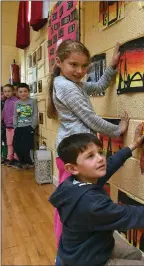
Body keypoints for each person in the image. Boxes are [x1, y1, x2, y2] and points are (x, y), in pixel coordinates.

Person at [49, 124, 144, 266]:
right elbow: (130, 215)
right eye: (90, 156)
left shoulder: (77, 181)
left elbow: (110, 164)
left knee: (135, 254)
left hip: (83, 249)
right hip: (85, 261)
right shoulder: (91, 204)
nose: (100, 159)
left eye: (100, 152)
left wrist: (133, 146)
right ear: (72, 168)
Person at [47, 39, 129, 247]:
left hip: (74, 151)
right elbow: (91, 119)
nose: (79, 71)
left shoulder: (73, 84)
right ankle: (65, 251)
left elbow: (99, 86)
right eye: (73, 65)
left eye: (84, 66)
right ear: (59, 62)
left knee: (74, 203)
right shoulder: (67, 87)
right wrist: (118, 130)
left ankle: (75, 247)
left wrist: (111, 66)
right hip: (73, 154)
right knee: (69, 206)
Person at [13, 83, 38, 169]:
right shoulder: (17, 103)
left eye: (25, 91)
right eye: (20, 92)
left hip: (29, 127)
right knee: (16, 145)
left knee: (26, 146)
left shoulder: (33, 101)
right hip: (19, 127)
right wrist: (15, 126)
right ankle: (22, 162)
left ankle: (29, 163)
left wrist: (33, 126)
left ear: (28, 92)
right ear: (17, 93)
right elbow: (15, 115)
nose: (23, 93)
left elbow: (35, 114)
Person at [1, 84, 19, 166]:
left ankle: (16, 158)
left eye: (9, 91)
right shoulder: (6, 101)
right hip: (7, 126)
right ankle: (9, 158)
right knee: (9, 143)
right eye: (5, 91)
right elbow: (4, 112)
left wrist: (12, 121)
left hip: (15, 126)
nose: (7, 93)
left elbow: (18, 113)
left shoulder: (16, 101)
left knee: (15, 142)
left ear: (13, 91)